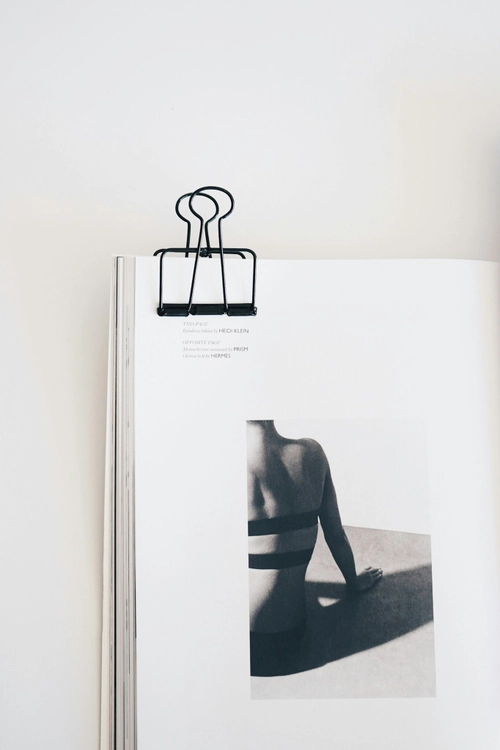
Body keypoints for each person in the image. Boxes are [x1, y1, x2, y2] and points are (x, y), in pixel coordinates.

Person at [247, 420, 382, 675]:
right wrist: (353, 582)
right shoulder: (312, 454)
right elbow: (336, 535)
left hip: (243, 644)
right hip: (291, 638)